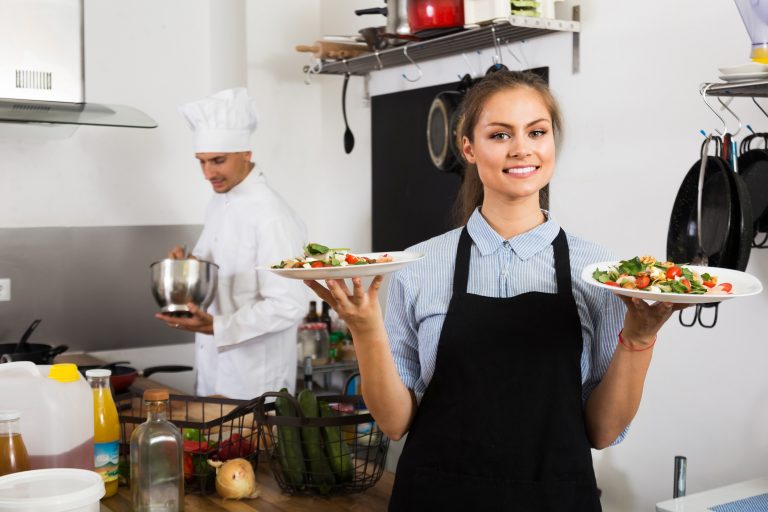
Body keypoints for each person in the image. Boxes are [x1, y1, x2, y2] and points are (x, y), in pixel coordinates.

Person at [305, 71, 685, 510]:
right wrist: (365, 330)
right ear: (468, 147)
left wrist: (639, 340)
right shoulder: (420, 266)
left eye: (537, 132)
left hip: (554, 499)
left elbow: (601, 431)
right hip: (436, 499)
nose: (522, 148)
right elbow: (393, 423)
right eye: (500, 134)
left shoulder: (598, 271)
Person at [156, 87, 307, 399]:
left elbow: (289, 304)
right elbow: (223, 268)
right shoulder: (220, 201)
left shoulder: (271, 214)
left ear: (246, 154)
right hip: (214, 366)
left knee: (250, 447)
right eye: (201, 162)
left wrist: (217, 326)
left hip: (255, 379)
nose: (208, 173)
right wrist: (189, 268)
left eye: (218, 161)